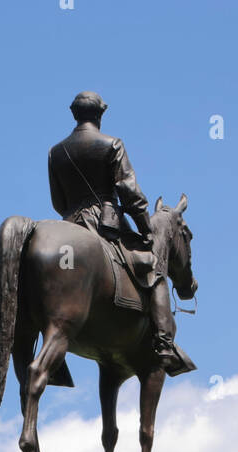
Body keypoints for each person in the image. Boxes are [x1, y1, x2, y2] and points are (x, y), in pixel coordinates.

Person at [48, 91, 195, 376]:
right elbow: (128, 191)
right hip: (105, 226)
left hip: (67, 226)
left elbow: (58, 202)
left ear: (74, 114)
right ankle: (165, 344)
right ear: (100, 114)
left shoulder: (56, 151)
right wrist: (145, 228)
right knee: (154, 269)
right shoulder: (112, 144)